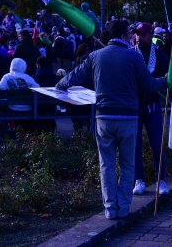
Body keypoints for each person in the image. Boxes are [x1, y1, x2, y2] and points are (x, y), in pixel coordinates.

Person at [56, 20, 166, 220]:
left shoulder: (96, 56)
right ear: (125, 35)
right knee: (127, 165)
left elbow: (74, 77)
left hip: (103, 117)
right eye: (130, 34)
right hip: (128, 117)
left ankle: (109, 209)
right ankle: (123, 207)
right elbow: (150, 86)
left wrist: (60, 84)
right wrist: (168, 79)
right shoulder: (133, 57)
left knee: (106, 165)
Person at [131, 22, 170, 196]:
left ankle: (160, 179)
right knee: (135, 145)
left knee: (157, 143)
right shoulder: (131, 56)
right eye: (136, 34)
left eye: (142, 34)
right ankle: (139, 179)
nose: (138, 37)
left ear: (150, 35)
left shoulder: (160, 56)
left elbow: (169, 77)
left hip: (153, 106)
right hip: (135, 107)